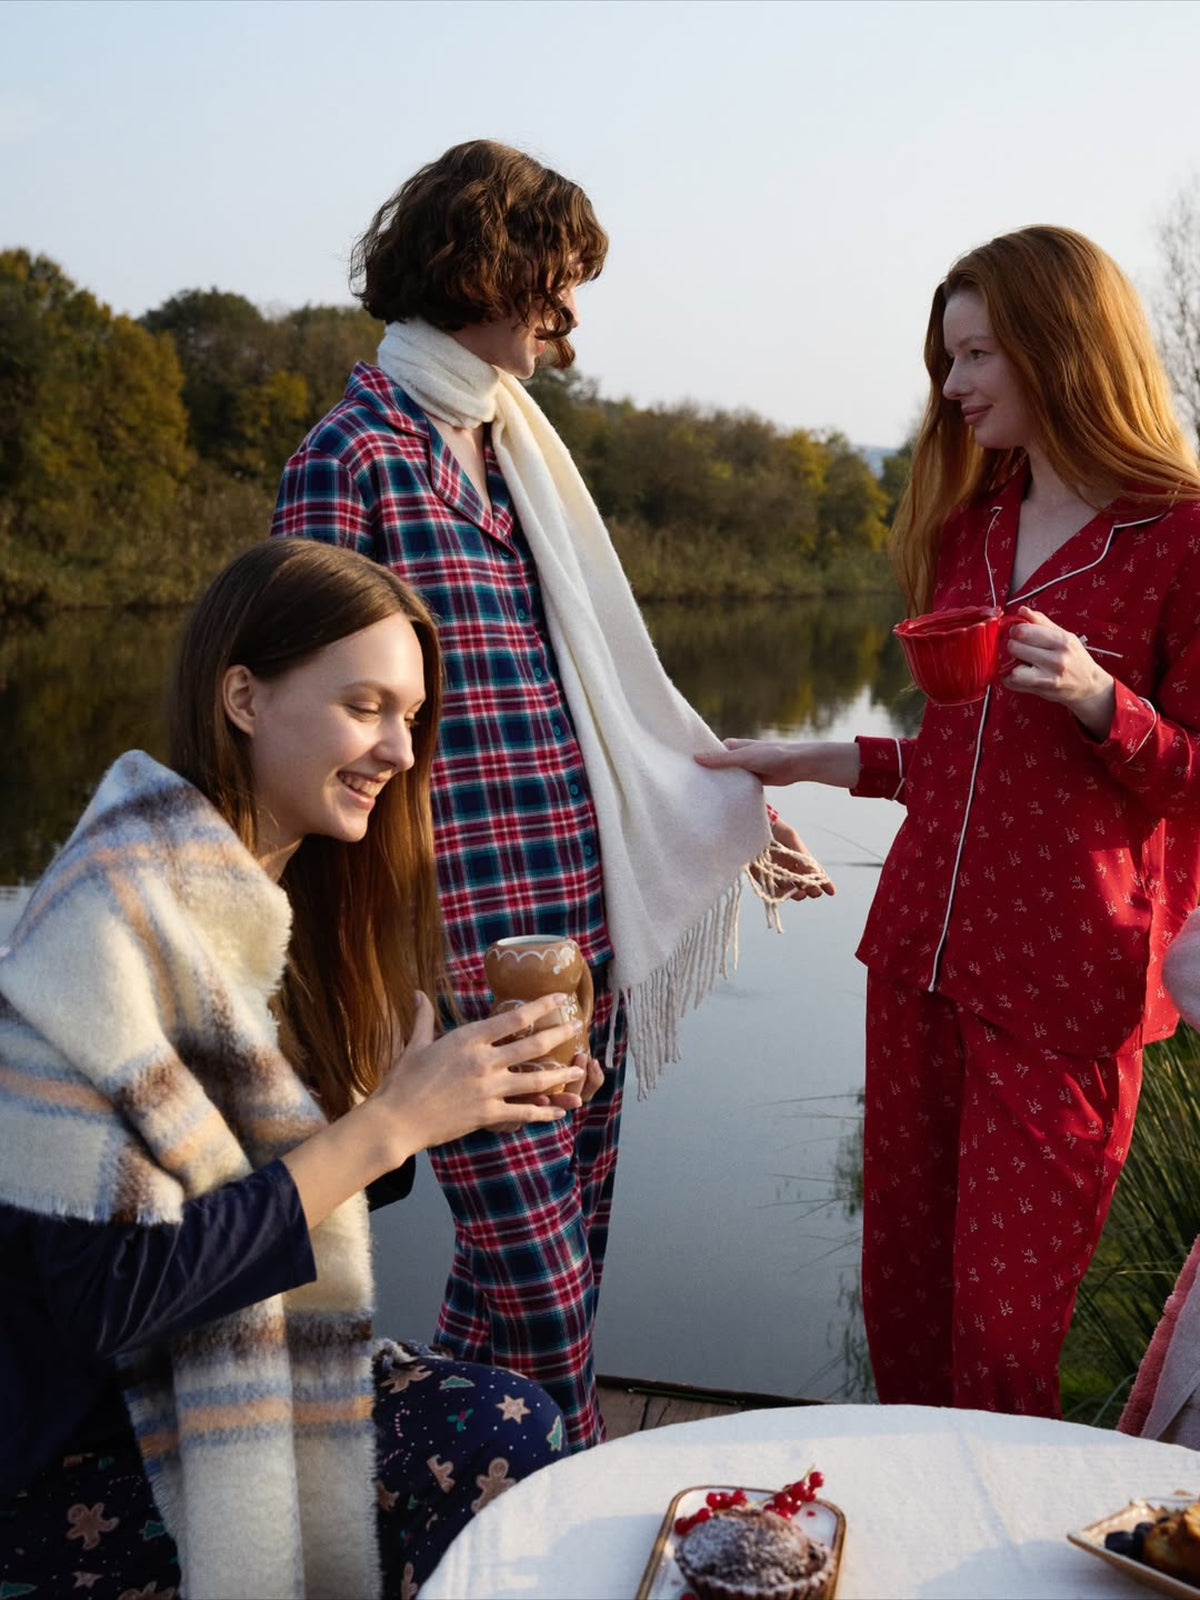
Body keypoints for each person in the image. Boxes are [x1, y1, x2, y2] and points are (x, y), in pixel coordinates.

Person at [272, 139, 831, 1450]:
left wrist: (733, 817)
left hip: (579, 927)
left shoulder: (511, 454)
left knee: (551, 1256)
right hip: (451, 943)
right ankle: (549, 1521)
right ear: (484, 262)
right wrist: (359, 971)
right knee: (542, 1294)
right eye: (555, 277)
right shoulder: (353, 457)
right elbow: (299, 742)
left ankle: (425, 1491)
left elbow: (601, 696)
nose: (567, 311)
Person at [0, 539, 587, 1600]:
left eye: (411, 715)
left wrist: (458, 1099)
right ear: (244, 697)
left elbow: (281, 1176)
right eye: (366, 705)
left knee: (511, 1423)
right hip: (67, 1448)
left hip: (197, 1385)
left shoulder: (268, 909)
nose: (402, 752)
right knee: (502, 1437)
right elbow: (114, 1299)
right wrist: (387, 1124)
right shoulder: (101, 931)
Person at [699, 225, 1200, 1418]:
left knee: (1006, 1335)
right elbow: (969, 765)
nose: (954, 386)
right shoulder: (968, 528)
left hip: (1064, 977)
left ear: (1061, 349)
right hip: (919, 949)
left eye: (978, 354)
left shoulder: (1180, 535)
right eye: (948, 358)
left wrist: (1100, 702)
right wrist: (819, 757)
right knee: (908, 1306)